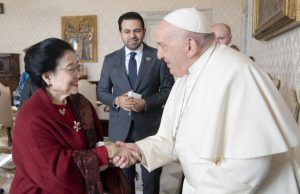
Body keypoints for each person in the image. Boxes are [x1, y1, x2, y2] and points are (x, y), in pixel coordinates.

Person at [112, 8, 300, 194]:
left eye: (163, 46)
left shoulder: (237, 74)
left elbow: (248, 168)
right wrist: (138, 150)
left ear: (190, 46)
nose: (159, 55)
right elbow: (172, 137)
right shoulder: (187, 74)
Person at [10, 38, 132, 194]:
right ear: (47, 76)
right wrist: (106, 153)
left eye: (78, 67)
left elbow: (94, 144)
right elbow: (57, 174)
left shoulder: (80, 103)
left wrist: (112, 154)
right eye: (70, 68)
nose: (78, 74)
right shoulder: (31, 117)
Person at [97, 11, 174, 194]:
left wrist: (146, 103)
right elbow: (101, 92)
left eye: (137, 30)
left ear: (144, 31)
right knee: (123, 179)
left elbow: (168, 90)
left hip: (149, 128)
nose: (132, 35)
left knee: (151, 178)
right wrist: (116, 99)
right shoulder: (110, 60)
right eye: (127, 31)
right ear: (121, 33)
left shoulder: (158, 56)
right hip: (120, 129)